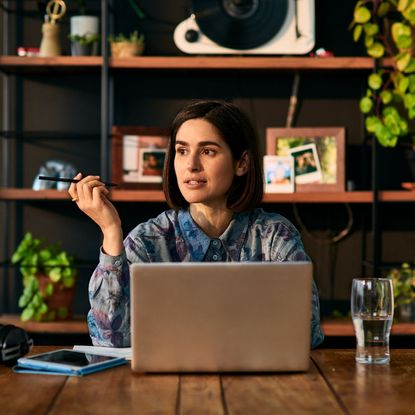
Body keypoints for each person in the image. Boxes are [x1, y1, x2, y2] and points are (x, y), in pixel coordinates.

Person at [68, 100, 324, 349]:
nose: (191, 165)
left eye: (207, 151)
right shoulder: (148, 241)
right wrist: (110, 231)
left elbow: (306, 332)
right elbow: (110, 339)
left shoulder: (274, 237)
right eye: (182, 151)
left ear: (242, 163)